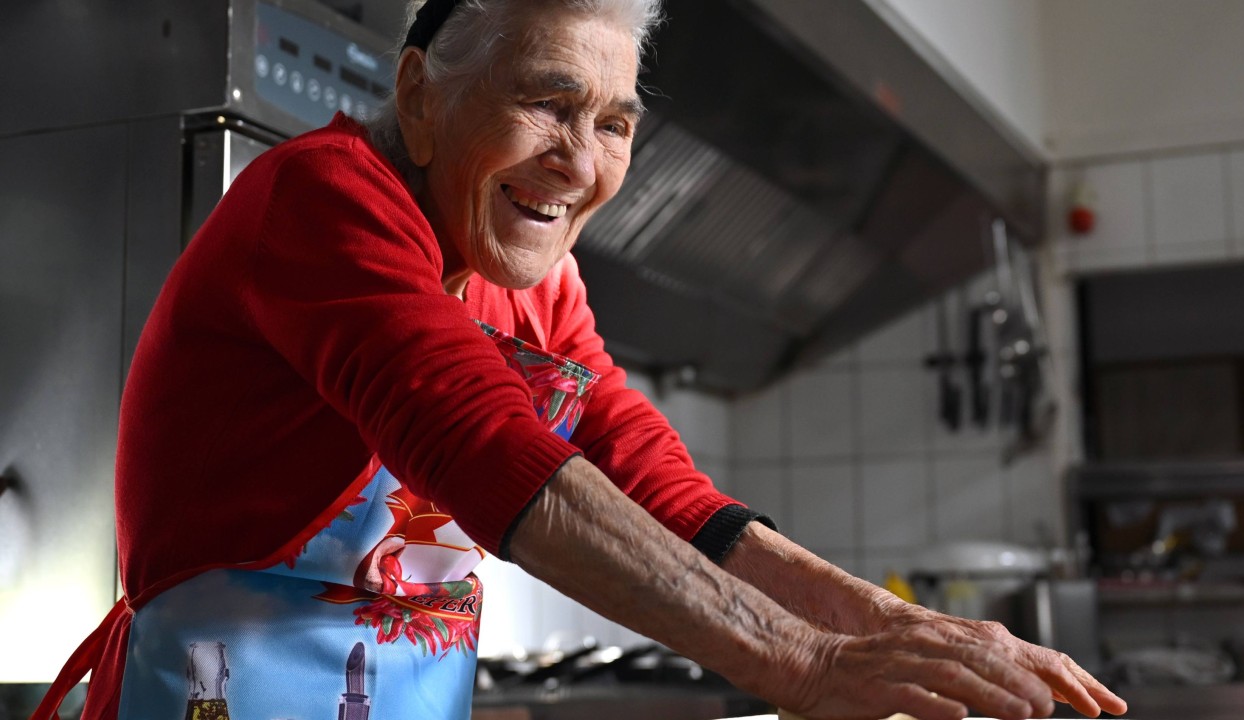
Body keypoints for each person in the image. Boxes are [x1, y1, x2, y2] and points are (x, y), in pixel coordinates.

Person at [35, 1, 1128, 719]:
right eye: (545, 103)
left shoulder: (533, 275)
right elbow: (482, 450)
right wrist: (806, 663)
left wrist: (888, 626)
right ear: (420, 97)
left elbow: (655, 483)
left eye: (613, 122)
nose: (579, 161)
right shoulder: (324, 200)